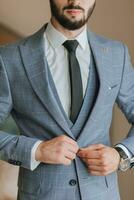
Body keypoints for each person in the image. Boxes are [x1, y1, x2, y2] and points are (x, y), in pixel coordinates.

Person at [0, 0, 134, 199]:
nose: (75, 1)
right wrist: (37, 150)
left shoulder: (117, 54)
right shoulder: (9, 58)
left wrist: (122, 154)